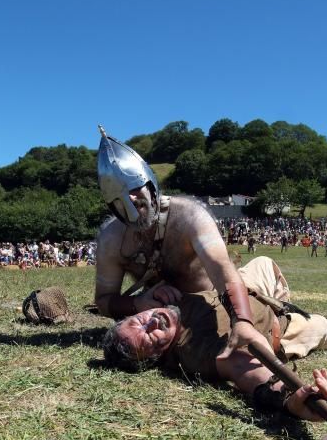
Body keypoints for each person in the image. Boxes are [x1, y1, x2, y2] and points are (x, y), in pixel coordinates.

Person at [102, 263, 327, 422]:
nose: (152, 323)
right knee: (318, 327)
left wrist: (152, 291)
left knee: (264, 263)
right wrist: (290, 400)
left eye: (139, 321)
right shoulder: (198, 351)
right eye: (150, 337)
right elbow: (243, 369)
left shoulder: (158, 301)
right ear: (158, 355)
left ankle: (279, 300)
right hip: (277, 329)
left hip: (245, 288)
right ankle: (320, 329)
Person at [94, 127, 271, 361]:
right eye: (119, 197)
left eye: (134, 188)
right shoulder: (111, 239)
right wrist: (139, 303)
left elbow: (222, 269)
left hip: (215, 300)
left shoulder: (190, 217)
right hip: (168, 320)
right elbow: (104, 301)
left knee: (268, 277)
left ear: (150, 185)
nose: (131, 200)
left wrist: (242, 320)